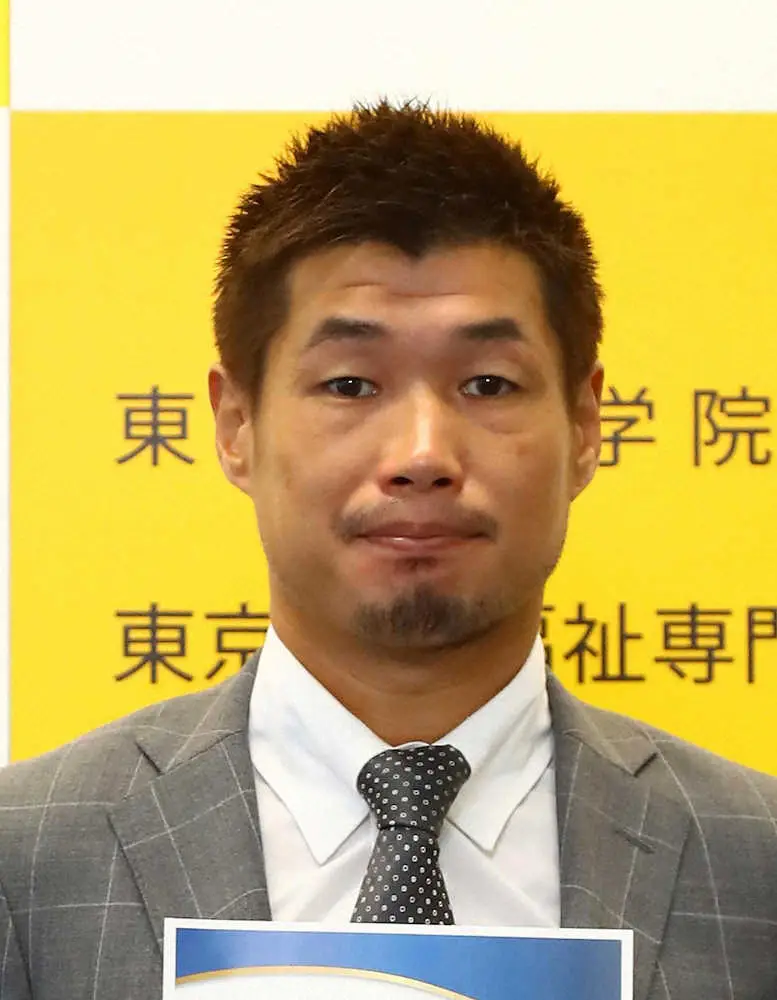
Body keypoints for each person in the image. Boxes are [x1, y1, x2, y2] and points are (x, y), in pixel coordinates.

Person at [0, 101, 775, 1000]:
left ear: (583, 424)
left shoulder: (752, 860)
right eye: (349, 384)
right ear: (237, 423)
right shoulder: (27, 857)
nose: (421, 453)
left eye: (487, 383)